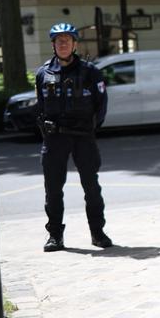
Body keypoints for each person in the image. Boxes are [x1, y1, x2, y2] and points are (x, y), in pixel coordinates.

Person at [36, 23, 111, 252]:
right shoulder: (43, 73)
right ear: (53, 45)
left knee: (91, 187)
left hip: (83, 137)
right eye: (59, 40)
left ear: (75, 44)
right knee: (53, 189)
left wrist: (90, 128)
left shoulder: (90, 72)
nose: (63, 44)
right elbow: (41, 105)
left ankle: (97, 233)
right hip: (55, 139)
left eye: (67, 40)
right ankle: (55, 236)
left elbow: (101, 105)